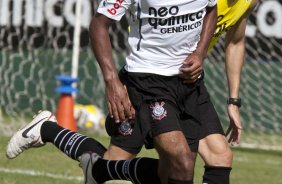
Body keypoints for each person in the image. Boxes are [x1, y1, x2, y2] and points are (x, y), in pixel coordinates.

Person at [6, 0, 258, 183]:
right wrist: (112, 82)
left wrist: (202, 57)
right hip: (146, 80)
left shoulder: (245, 3)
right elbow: (99, 24)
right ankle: (51, 132)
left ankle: (51, 132)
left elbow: (216, 18)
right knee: (180, 161)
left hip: (189, 83)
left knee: (197, 163)